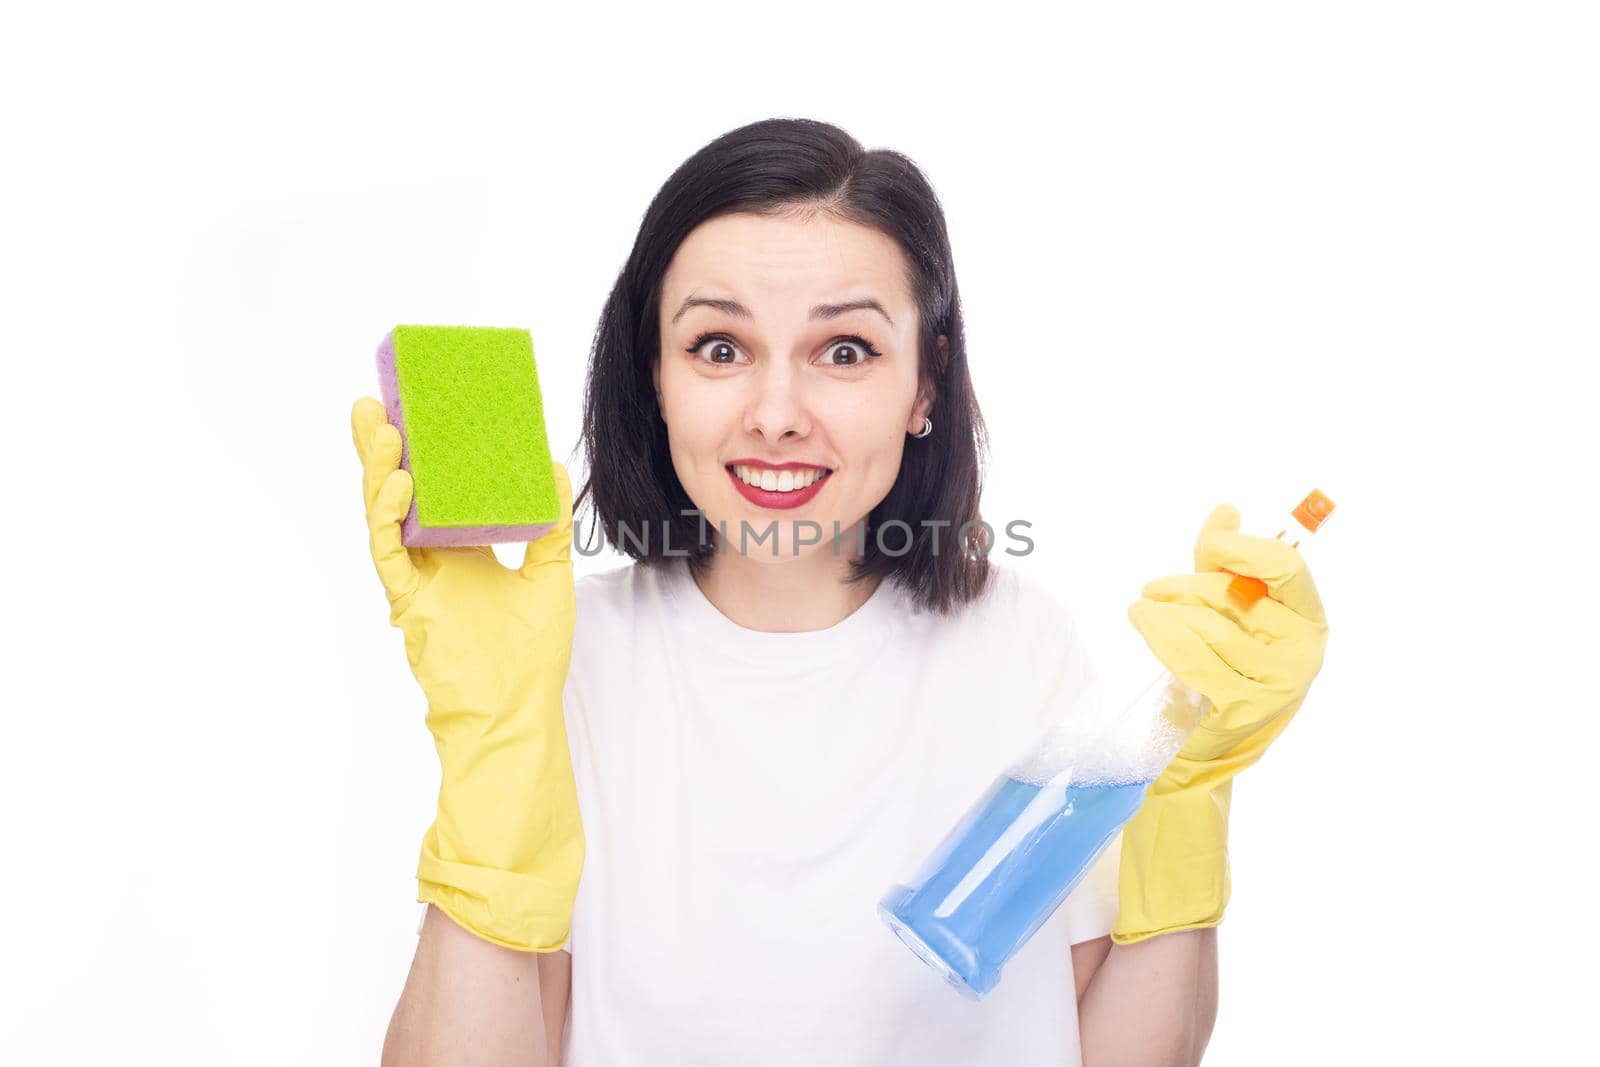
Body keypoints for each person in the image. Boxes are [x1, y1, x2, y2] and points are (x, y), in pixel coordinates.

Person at [353, 117, 1329, 1066]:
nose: (776, 415)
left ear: (925, 384)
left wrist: (1186, 798)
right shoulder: (554, 663)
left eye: (846, 350)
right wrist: (496, 747)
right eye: (719, 347)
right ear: (653, 373)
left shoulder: (1022, 646)